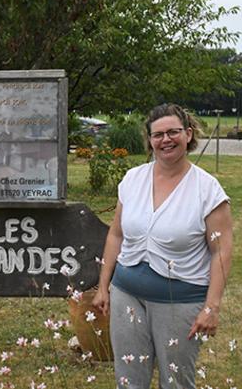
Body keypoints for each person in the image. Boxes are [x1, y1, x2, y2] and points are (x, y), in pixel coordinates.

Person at [93, 103, 233, 389]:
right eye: (158, 135)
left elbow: (222, 251)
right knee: (128, 379)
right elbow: (116, 235)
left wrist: (212, 307)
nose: (165, 140)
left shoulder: (207, 189)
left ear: (188, 134)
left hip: (179, 301)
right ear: (150, 139)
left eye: (173, 132)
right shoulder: (133, 179)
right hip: (126, 296)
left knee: (176, 381)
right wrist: (103, 286)